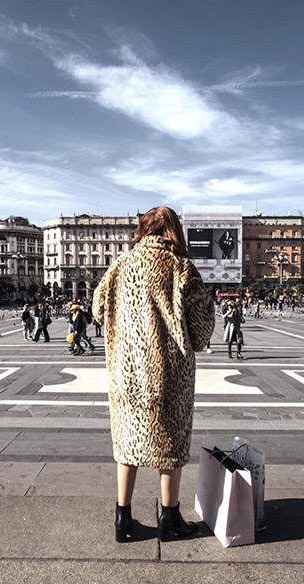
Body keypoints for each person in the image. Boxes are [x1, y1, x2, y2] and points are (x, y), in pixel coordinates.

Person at [93, 206, 215, 543]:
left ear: (144, 230)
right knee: (170, 444)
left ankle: (123, 517)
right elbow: (202, 330)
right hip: (169, 375)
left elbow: (97, 309)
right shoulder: (181, 268)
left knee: (128, 443)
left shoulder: (120, 265)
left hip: (125, 374)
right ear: (174, 231)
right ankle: (169, 518)